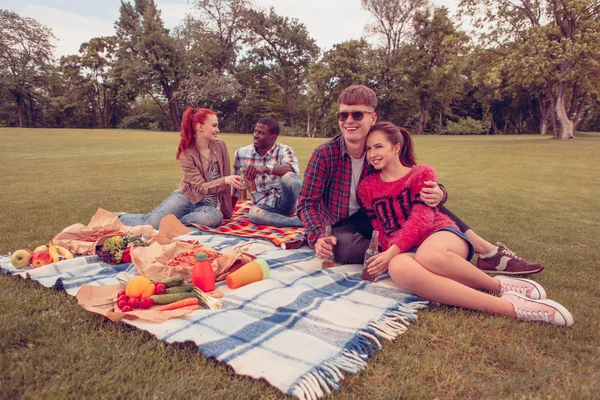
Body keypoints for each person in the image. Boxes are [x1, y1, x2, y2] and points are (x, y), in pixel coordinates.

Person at [298, 84, 543, 275]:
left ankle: (488, 252)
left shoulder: (381, 149)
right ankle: (418, 257)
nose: (349, 121)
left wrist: (441, 193)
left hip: (375, 215)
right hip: (340, 224)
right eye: (343, 115)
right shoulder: (325, 154)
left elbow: (412, 178)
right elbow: (307, 203)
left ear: (372, 118)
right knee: (346, 250)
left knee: (426, 197)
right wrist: (319, 236)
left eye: (357, 114)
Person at [356, 121, 573, 326]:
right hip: (408, 249)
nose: (372, 154)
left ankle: (498, 286)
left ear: (396, 147)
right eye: (368, 149)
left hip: (439, 235)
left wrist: (392, 251)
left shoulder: (421, 174)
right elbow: (379, 227)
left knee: (427, 255)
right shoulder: (367, 187)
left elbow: (422, 221)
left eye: (378, 147)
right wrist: (384, 256)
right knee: (398, 268)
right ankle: (510, 306)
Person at [119, 107, 242, 229]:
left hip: (206, 206)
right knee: (152, 224)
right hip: (185, 198)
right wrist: (225, 180)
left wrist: (227, 213)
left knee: (215, 217)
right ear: (200, 127)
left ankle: (175, 220)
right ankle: (119, 217)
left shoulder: (220, 147)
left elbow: (226, 186)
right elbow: (201, 187)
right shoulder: (186, 154)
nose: (218, 129)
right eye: (214, 126)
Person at [231, 117, 303, 228]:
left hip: (285, 202)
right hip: (263, 206)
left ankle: (306, 213)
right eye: (255, 131)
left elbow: (292, 169)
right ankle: (297, 222)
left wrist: (265, 169)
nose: (256, 135)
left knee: (290, 177)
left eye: (261, 133)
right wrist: (228, 213)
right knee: (253, 214)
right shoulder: (242, 153)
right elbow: (235, 186)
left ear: (273, 137)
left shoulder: (284, 150)